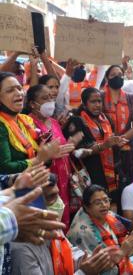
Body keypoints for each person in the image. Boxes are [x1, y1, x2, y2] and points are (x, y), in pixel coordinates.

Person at [10, 174, 117, 275]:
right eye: (51, 197)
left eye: (57, 195)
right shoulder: (21, 249)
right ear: (30, 204)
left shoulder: (52, 227)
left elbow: (70, 253)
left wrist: (91, 260)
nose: (59, 202)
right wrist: (84, 272)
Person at [25, 84, 82, 229]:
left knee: (64, 216)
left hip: (63, 177)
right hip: (47, 180)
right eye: (45, 98)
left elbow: (61, 147)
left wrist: (70, 144)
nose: (50, 102)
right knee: (50, 219)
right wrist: (51, 154)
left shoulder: (55, 123)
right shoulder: (27, 124)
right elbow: (30, 155)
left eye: (51, 97)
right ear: (32, 104)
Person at [67, 185, 133, 275]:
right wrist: (123, 250)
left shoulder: (109, 215)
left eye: (106, 200)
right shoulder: (83, 232)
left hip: (122, 258)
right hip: (108, 270)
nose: (104, 205)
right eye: (98, 202)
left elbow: (129, 226)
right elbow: (97, 267)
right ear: (87, 207)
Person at [63, 87, 128, 208]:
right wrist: (105, 145)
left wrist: (116, 143)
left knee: (112, 203)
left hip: (110, 171)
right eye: (93, 102)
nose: (97, 105)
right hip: (91, 171)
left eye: (99, 101)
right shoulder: (77, 121)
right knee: (95, 205)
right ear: (85, 103)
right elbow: (76, 152)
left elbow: (109, 141)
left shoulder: (106, 118)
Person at [0, 72, 74, 175]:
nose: (18, 93)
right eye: (10, 90)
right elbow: (4, 167)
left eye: (19, 88)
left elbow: (38, 157)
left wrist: (47, 156)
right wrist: (39, 159)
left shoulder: (25, 120)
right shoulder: (1, 125)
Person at [102, 65, 133, 189]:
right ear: (107, 78)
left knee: (128, 185)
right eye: (113, 75)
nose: (117, 77)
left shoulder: (131, 98)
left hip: (127, 148)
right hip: (105, 147)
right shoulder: (100, 97)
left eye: (120, 74)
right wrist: (111, 141)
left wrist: (122, 139)